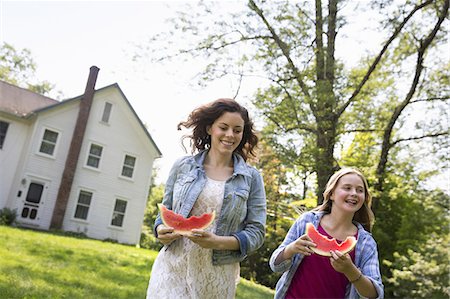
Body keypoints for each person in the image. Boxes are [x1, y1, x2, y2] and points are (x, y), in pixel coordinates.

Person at [146, 98, 267, 299]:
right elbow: (164, 213)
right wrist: (160, 230)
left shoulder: (251, 178)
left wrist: (218, 242)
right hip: (173, 267)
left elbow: (256, 232)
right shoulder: (183, 166)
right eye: (224, 127)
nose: (230, 135)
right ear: (210, 128)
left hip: (216, 274)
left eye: (237, 130)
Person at [270, 167, 384, 299]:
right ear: (331, 194)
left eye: (360, 190)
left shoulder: (366, 243)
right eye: (347, 188)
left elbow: (375, 294)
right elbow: (275, 265)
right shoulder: (307, 221)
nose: (354, 193)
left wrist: (350, 271)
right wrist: (291, 249)